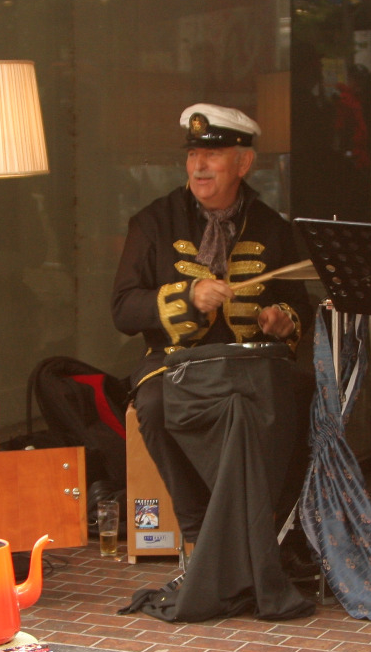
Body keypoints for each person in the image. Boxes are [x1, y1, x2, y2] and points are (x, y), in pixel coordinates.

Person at [110, 105, 307, 554]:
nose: (199, 166)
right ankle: (200, 533)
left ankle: (269, 528)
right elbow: (122, 309)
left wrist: (281, 320)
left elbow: (298, 305)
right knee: (154, 405)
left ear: (244, 162)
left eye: (213, 155)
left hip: (249, 363)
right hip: (175, 363)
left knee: (300, 396)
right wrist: (186, 298)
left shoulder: (272, 227)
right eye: (193, 154)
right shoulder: (153, 222)